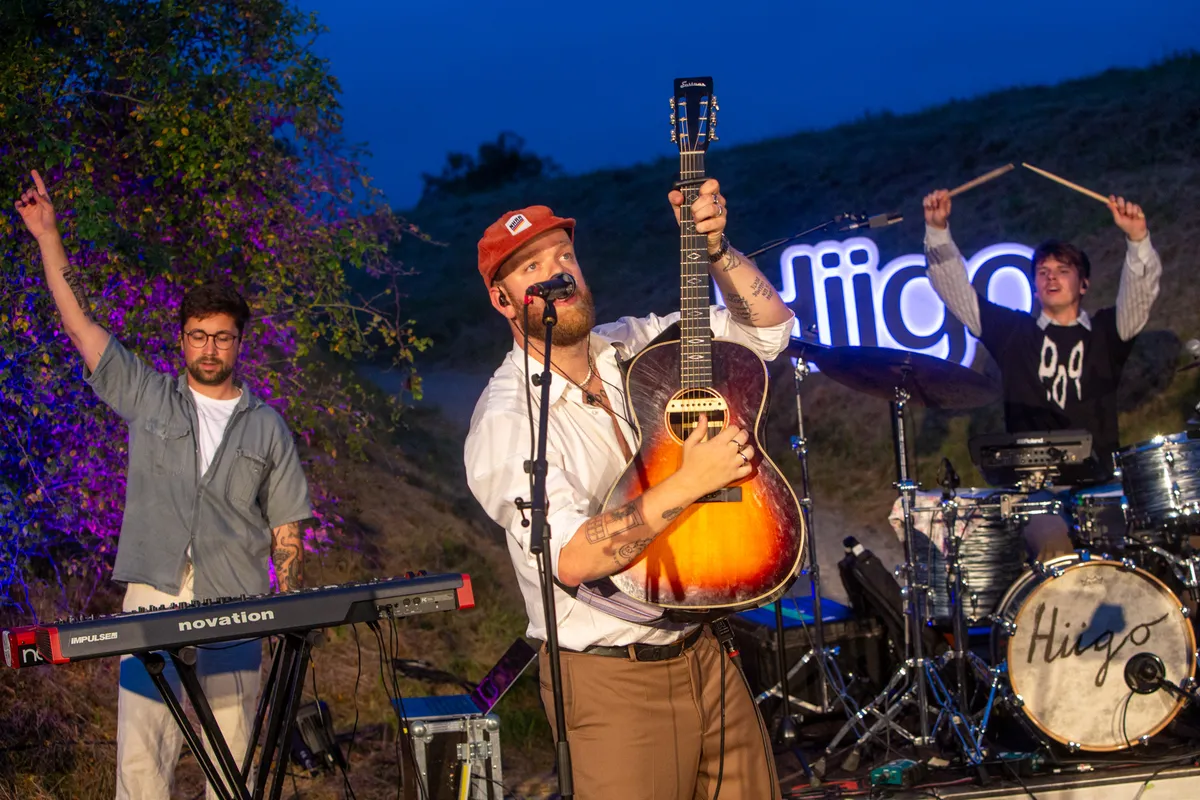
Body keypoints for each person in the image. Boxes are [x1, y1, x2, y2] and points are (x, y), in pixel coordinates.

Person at [464, 180, 793, 799]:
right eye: (532, 268)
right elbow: (572, 557)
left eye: (564, 255)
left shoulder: (634, 344)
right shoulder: (507, 421)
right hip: (612, 681)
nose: (558, 273)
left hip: (705, 650)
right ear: (502, 301)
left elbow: (769, 332)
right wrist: (689, 482)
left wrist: (717, 251)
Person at [15, 170, 313, 799]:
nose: (210, 347)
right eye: (199, 335)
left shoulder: (268, 426)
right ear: (182, 340)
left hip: (237, 602)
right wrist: (47, 236)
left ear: (239, 343)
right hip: (155, 593)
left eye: (222, 337)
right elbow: (80, 326)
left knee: (232, 764)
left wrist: (288, 610)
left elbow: (287, 528)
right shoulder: (148, 396)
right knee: (142, 759)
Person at [922, 187, 1161, 556]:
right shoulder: (1014, 333)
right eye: (1043, 272)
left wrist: (1138, 239)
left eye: (1063, 271)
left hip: (1100, 486)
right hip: (1035, 494)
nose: (1051, 278)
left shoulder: (1107, 332)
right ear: (1034, 286)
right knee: (1052, 544)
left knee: (1140, 545)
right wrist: (938, 232)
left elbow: (1140, 295)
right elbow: (956, 293)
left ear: (1084, 284)